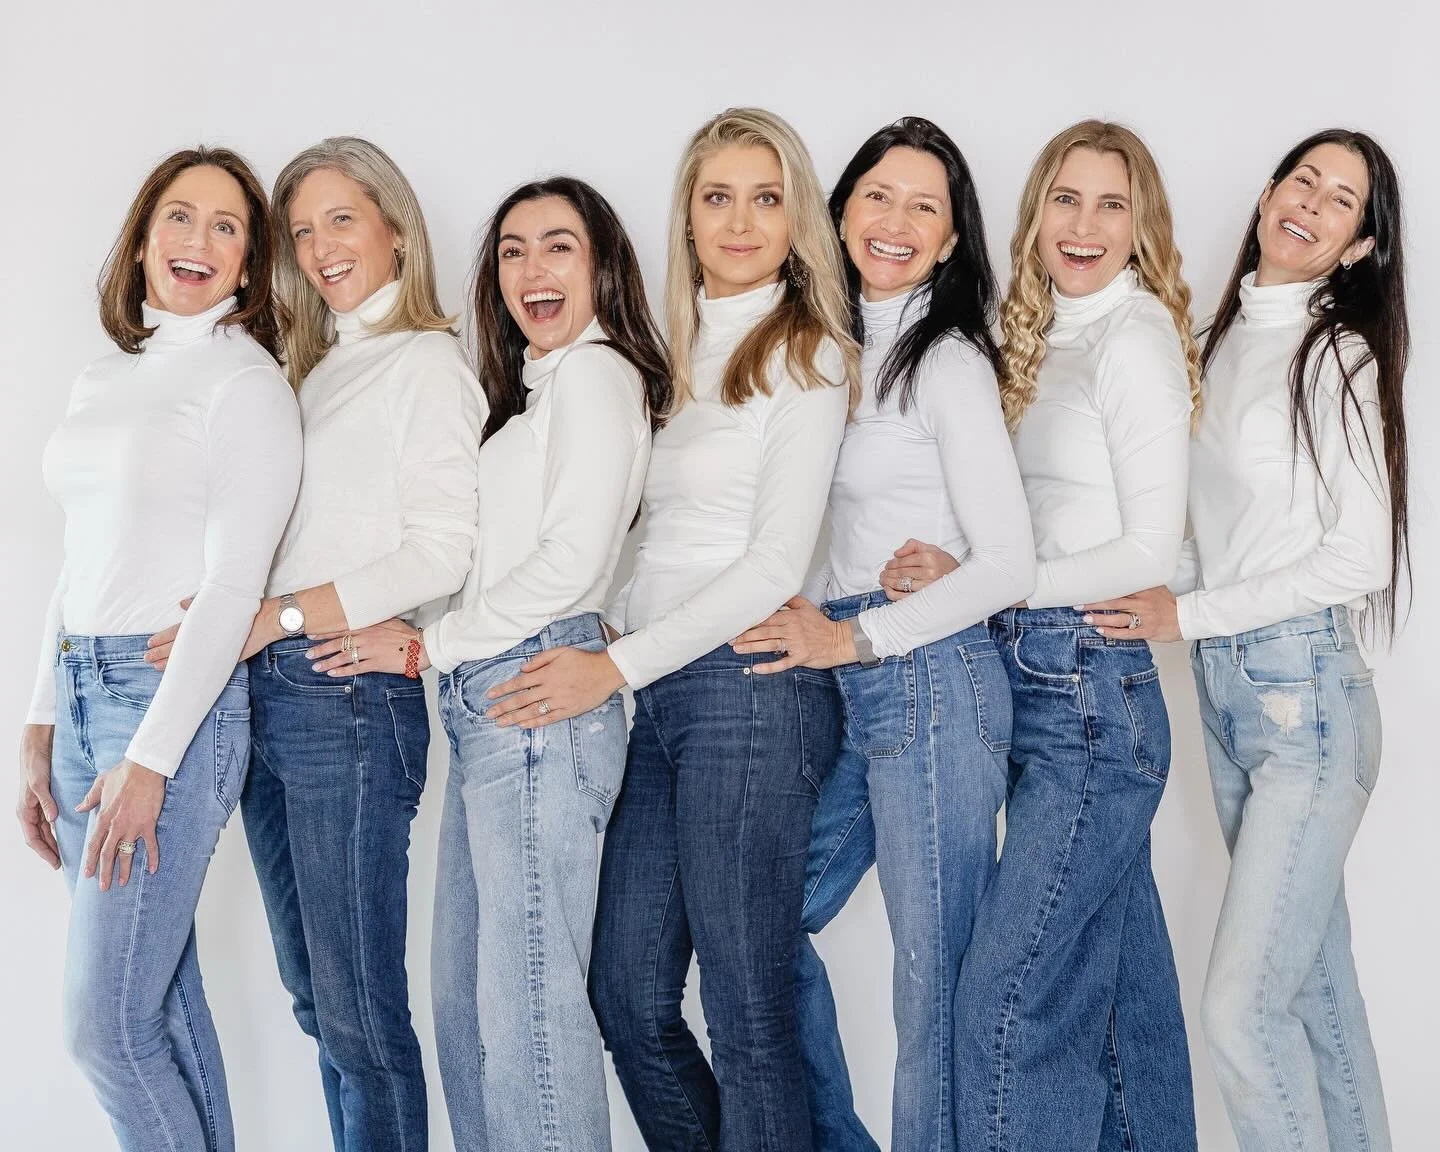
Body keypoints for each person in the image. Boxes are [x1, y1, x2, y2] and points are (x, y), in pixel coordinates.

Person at [484, 107, 857, 1149]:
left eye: (766, 197)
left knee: (746, 1011)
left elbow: (776, 562)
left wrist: (613, 666)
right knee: (629, 997)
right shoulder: (663, 356)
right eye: (717, 197)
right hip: (652, 694)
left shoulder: (810, 355)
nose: (740, 222)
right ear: (687, 215)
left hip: (751, 690)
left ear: (798, 222)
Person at [150, 136, 485, 1152]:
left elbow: (445, 547)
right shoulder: (316, 367)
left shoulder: (425, 360)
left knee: (358, 1014)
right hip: (272, 695)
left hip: (343, 702)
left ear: (395, 225)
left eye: (342, 218)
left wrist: (286, 616)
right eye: (300, 231)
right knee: (315, 1003)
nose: (320, 245)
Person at [325, 176, 669, 1152]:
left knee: (528, 1015)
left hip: (536, 686)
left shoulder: (600, 376)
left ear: (602, 264)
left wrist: (429, 643)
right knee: (474, 1014)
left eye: (558, 246)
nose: (532, 269)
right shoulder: (528, 397)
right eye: (513, 250)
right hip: (487, 697)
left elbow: (571, 558)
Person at [1083, 128, 1407, 1152]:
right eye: (1303, 178)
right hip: (1234, 697)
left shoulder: (1335, 353)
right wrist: (1144, 591)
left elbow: (1356, 557)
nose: (1311, 201)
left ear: (1358, 246)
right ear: (1269, 193)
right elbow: (1221, 546)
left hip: (1307, 702)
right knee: (1314, 992)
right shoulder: (1223, 342)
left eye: (1343, 200)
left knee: (1239, 1009)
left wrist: (1191, 613)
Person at [730, 115, 1033, 1152]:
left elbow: (1009, 565)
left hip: (930, 675)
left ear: (950, 241)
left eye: (925, 207)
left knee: (933, 980)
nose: (896, 221)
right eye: (878, 195)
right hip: (851, 676)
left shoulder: (945, 363)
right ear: (842, 209)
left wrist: (860, 638)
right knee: (759, 925)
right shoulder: (814, 350)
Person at [907, 120, 1202, 1151]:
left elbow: (1149, 549)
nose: (1083, 224)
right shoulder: (1038, 339)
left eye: (1111, 204)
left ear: (1140, 226)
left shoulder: (1137, 338)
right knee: (1125, 1015)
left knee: (1006, 999)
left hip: (1091, 701)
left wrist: (990, 588)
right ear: (1035, 215)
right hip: (1042, 691)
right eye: (1065, 200)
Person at [18, 146, 301, 1151]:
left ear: (248, 262)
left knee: (105, 1027)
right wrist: (41, 722)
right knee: (159, 1008)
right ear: (142, 238)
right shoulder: (108, 376)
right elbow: (79, 556)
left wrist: (150, 763)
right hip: (88, 700)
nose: (199, 242)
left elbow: (232, 589)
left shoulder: (246, 384)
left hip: (168, 706)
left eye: (227, 227)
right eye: (180, 217)